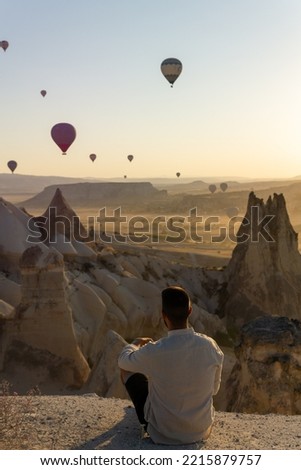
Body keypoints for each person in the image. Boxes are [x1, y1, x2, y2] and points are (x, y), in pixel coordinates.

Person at [118, 286, 224, 445]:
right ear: (190, 311)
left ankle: (145, 421)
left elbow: (123, 361)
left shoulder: (155, 350)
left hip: (162, 433)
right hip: (200, 431)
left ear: (163, 315)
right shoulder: (210, 346)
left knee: (128, 371)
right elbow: (214, 390)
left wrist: (135, 344)